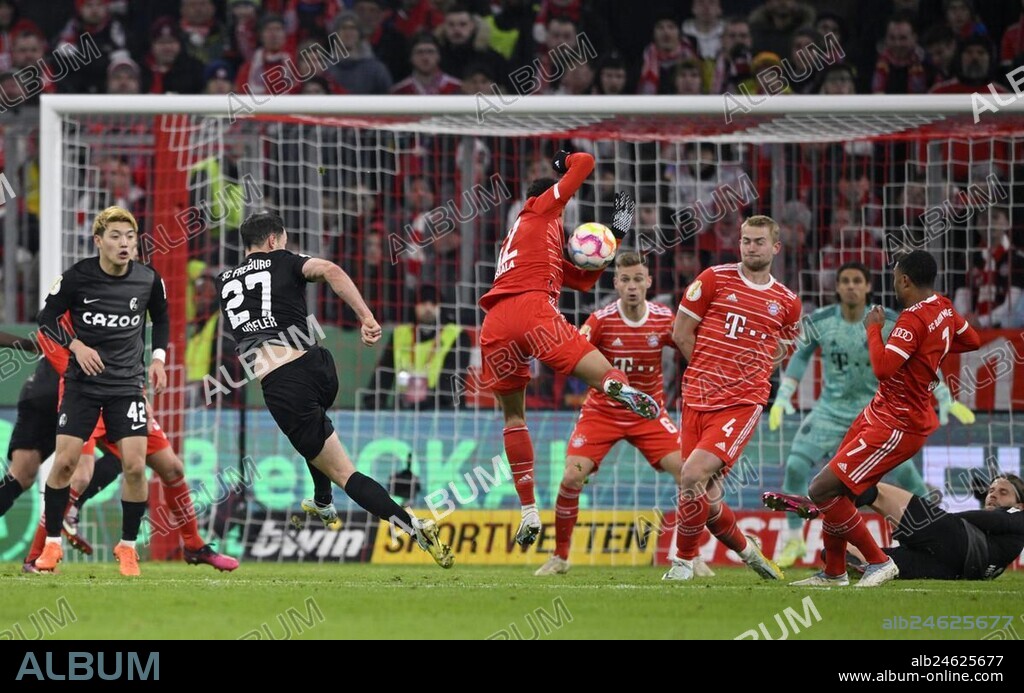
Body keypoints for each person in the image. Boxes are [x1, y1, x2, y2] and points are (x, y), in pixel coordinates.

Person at [217, 211, 453, 568]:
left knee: (344, 472)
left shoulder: (224, 282)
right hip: (320, 366)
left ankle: (414, 526)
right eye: (283, 241)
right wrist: (366, 317)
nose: (285, 246)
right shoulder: (285, 260)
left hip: (282, 382)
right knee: (315, 432)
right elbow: (331, 271)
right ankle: (322, 500)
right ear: (272, 241)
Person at [478, 150, 659, 548]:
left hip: (495, 324)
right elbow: (586, 162)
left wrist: (616, 233)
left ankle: (527, 510)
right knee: (603, 373)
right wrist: (562, 161)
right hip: (533, 311)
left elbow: (582, 279)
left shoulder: (525, 241)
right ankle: (614, 385)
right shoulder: (539, 209)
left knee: (513, 418)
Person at [788, 250, 981, 588]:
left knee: (821, 488)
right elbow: (971, 339)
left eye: (895, 277)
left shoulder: (912, 319)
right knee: (837, 492)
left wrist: (874, 330)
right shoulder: (944, 307)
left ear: (905, 280)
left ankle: (879, 561)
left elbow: (883, 368)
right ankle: (834, 572)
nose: (893, 283)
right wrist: (931, 352)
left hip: (897, 424)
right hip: (878, 412)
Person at [534, 252, 713, 577]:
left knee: (690, 475)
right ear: (616, 283)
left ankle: (692, 555)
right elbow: (574, 352)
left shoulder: (662, 318)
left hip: (649, 413)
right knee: (572, 476)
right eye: (625, 280)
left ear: (648, 282)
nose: (632, 287)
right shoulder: (600, 320)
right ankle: (560, 556)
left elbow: (692, 347)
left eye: (638, 279)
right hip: (602, 411)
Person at [664, 215, 801, 581]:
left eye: (758, 241)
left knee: (692, 474)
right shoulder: (713, 279)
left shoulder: (787, 302)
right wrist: (714, 374)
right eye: (745, 241)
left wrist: (741, 378)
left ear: (775, 247)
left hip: (741, 403)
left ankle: (682, 562)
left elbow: (781, 351)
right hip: (696, 397)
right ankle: (747, 549)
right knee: (705, 496)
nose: (750, 247)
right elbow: (681, 333)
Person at [35, 206, 169, 576]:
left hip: (127, 387)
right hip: (82, 386)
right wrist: (76, 345)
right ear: (99, 241)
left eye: (129, 236)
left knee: (135, 467)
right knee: (64, 464)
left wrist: (158, 358)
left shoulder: (148, 279)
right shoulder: (77, 278)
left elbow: (161, 319)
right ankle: (51, 546)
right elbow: (46, 319)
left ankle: (127, 547)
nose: (124, 243)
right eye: (115, 236)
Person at [768, 475, 1024, 581]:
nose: (993, 495)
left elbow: (997, 520)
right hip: (954, 570)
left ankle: (817, 504)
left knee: (875, 491)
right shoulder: (1003, 543)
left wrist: (944, 518)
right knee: (879, 561)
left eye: (1003, 492)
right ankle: (850, 561)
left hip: (955, 538)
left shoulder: (1017, 517)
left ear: (1020, 504)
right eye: (991, 491)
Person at [363, 284, 472, 410]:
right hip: (405, 409)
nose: (428, 307)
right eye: (423, 302)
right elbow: (385, 372)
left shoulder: (457, 335)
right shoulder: (400, 334)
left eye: (433, 303)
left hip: (445, 409)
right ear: (414, 306)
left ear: (441, 307)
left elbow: (452, 379)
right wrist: (374, 400)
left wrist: (428, 400)